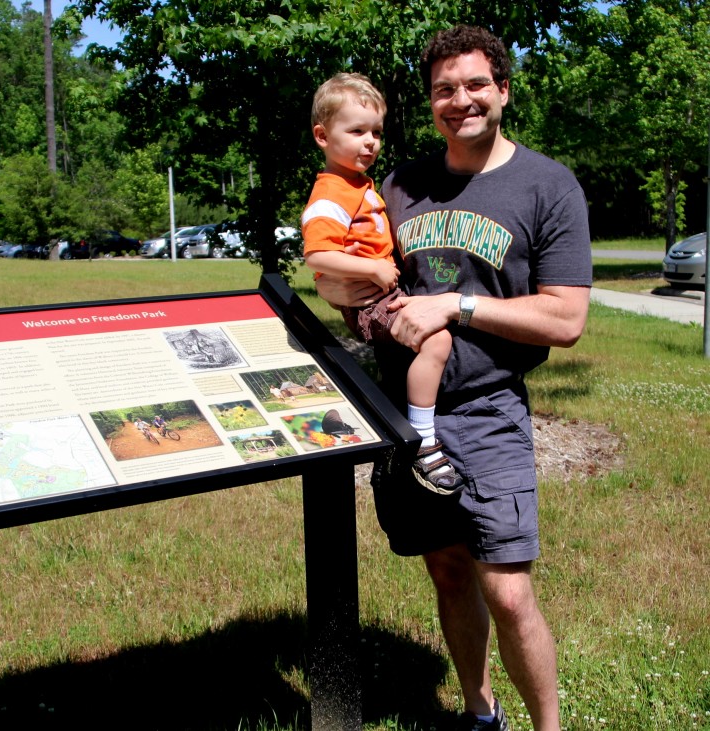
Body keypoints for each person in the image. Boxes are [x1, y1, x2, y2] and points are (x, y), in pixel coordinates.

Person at [315, 26, 592, 731]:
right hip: (406, 412)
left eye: (474, 85)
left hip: (491, 407)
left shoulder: (547, 185)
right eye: (444, 89)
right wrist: (348, 299)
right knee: (444, 565)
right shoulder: (400, 185)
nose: (459, 100)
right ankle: (478, 710)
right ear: (430, 101)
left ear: (502, 88)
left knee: (506, 586)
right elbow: (353, 270)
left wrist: (458, 303)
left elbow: (565, 318)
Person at [302, 72, 462, 494]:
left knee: (430, 340)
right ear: (322, 136)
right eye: (356, 131)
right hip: (370, 299)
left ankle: (404, 422)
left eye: (376, 132)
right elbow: (316, 254)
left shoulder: (360, 185)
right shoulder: (331, 193)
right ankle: (423, 440)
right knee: (437, 340)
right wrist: (371, 271)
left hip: (381, 293)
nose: (369, 141)